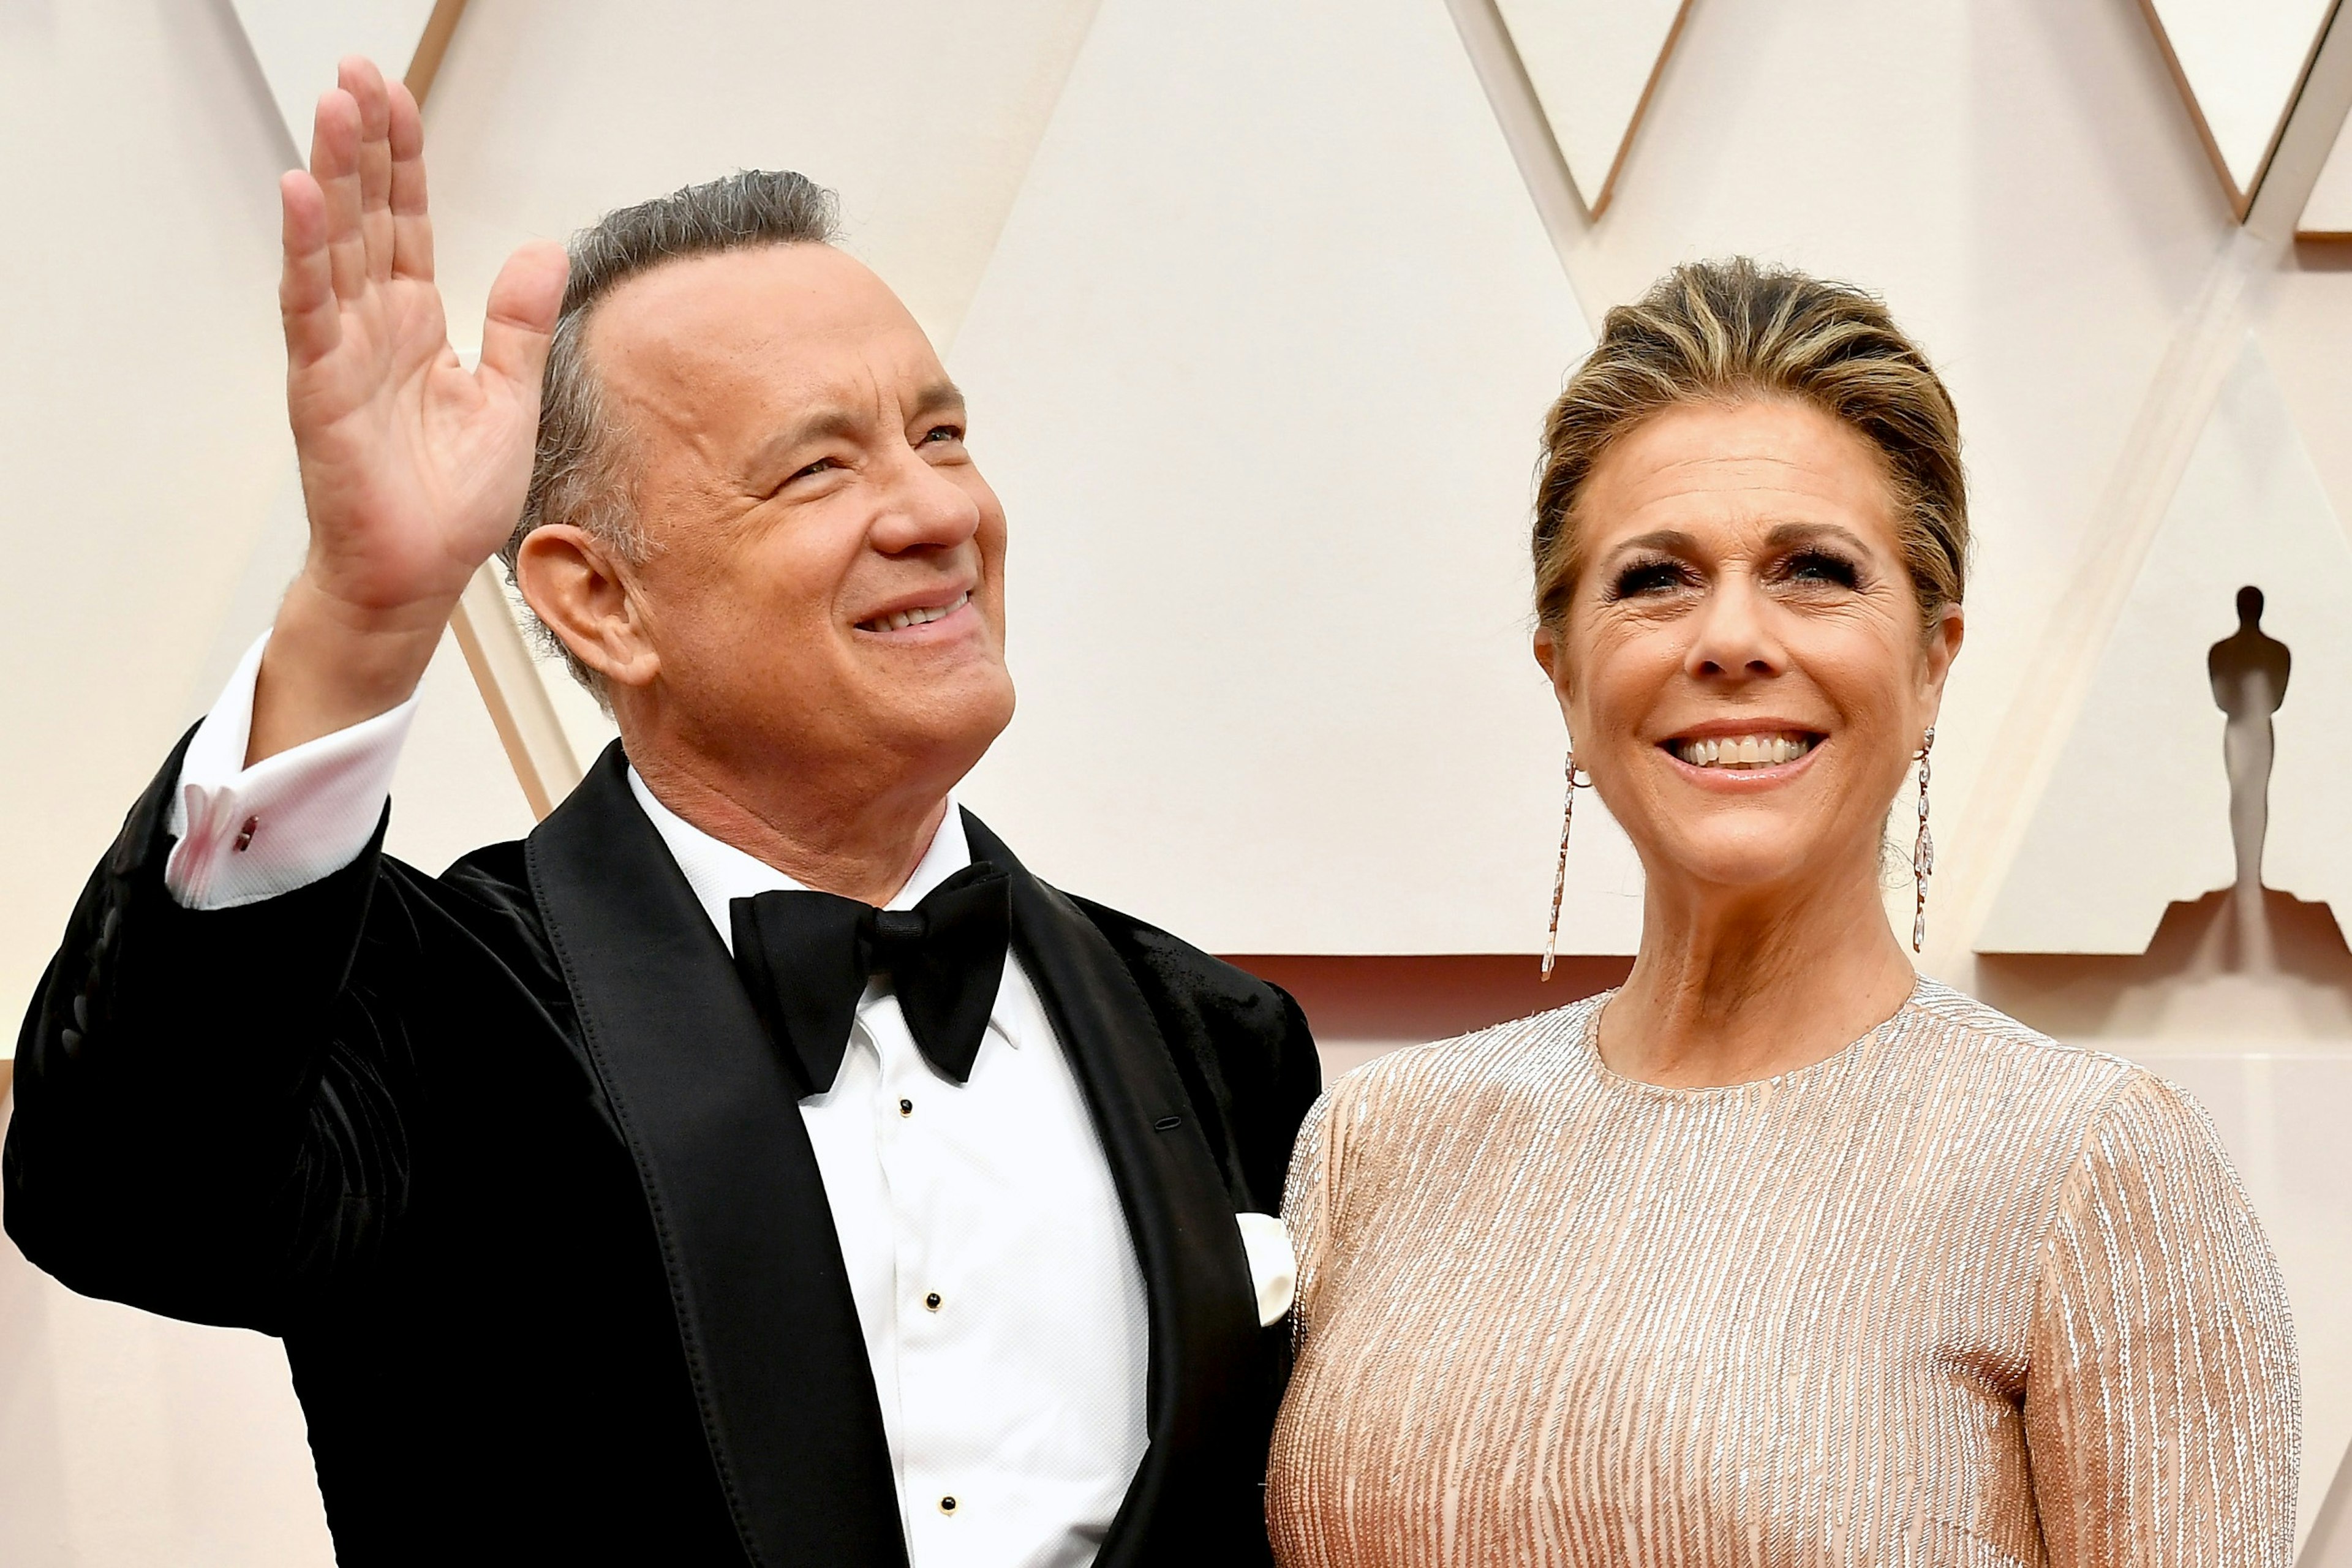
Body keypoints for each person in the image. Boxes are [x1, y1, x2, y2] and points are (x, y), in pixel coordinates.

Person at [4, 58, 1319, 1568]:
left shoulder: (1217, 1033)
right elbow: (125, 1191)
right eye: (819, 465)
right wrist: (362, 615)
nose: (938, 512)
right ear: (601, 598)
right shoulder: (444, 1007)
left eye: (942, 435)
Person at [1265, 259, 2299, 1565]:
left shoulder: (2089, 1167)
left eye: (1813, 568)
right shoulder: (1375, 1149)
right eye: (1654, 578)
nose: (1734, 636)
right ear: (1566, 677)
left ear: (1931, 661)